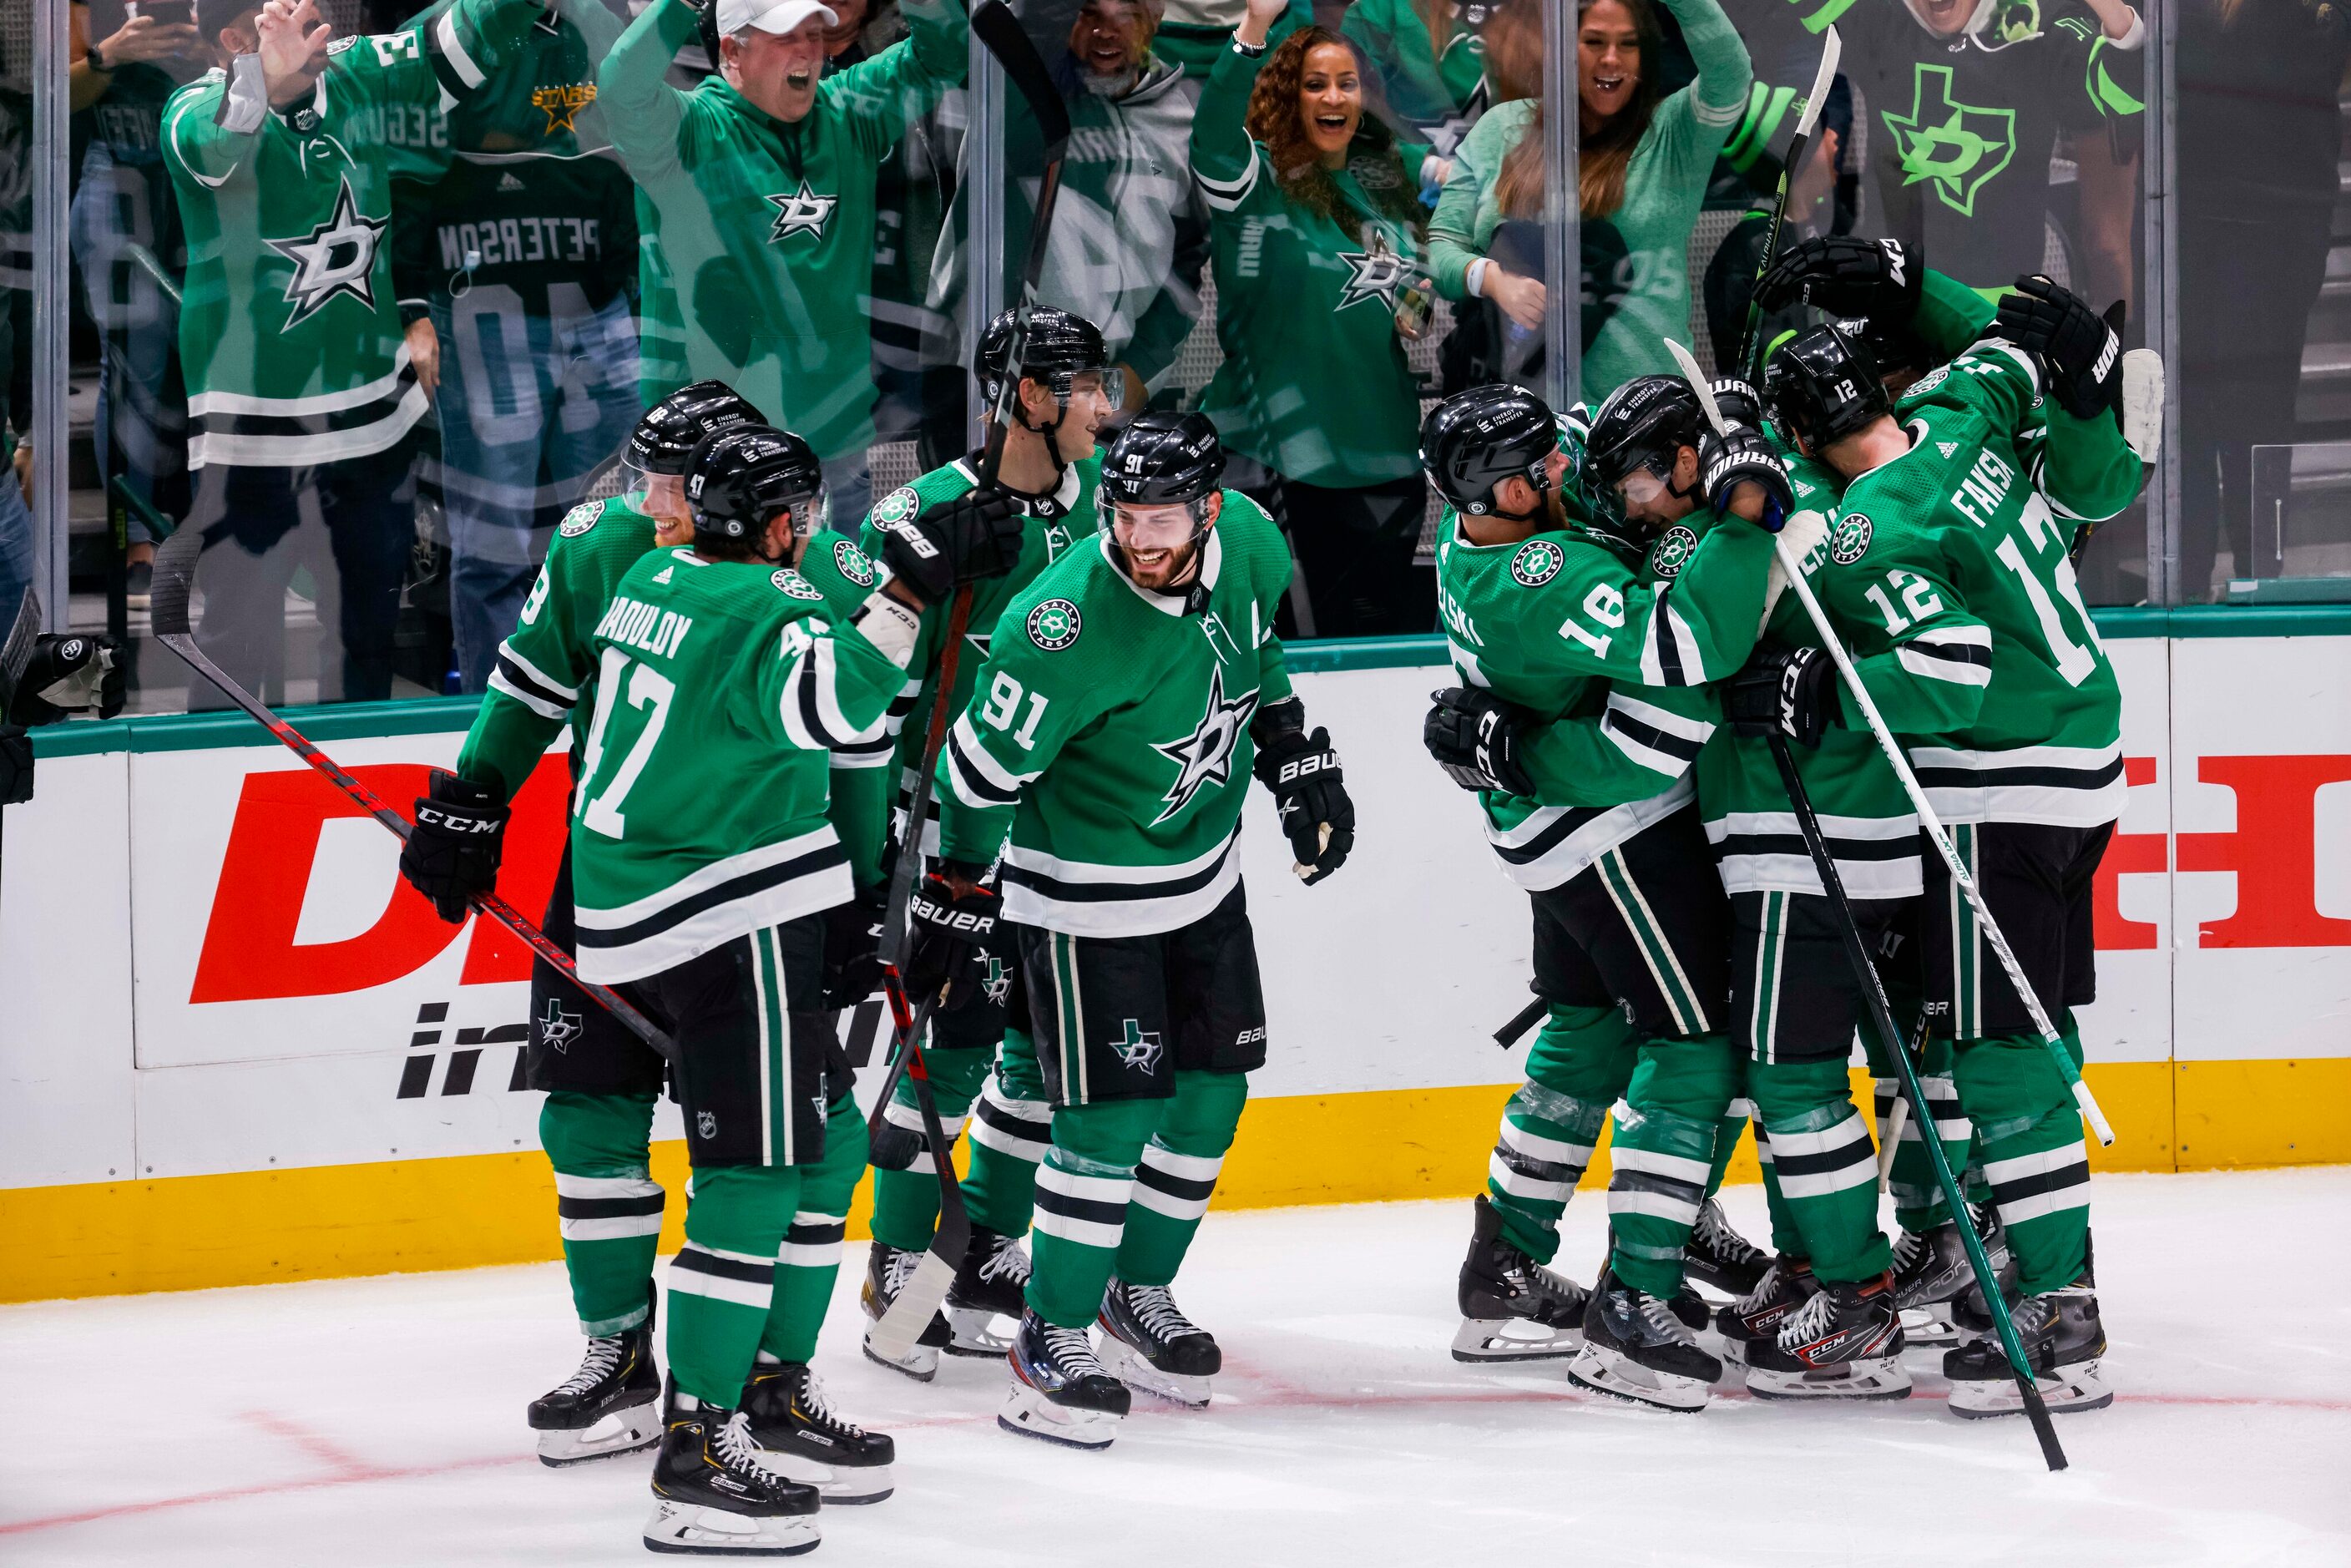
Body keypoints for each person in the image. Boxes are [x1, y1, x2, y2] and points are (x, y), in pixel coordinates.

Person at [1737, 240, 2144, 1353]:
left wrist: (1829, 676)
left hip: (1997, 785)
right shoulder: (1964, 411)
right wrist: (1920, 283)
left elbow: (1952, 671)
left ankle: (2059, 1297)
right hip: (2086, 760)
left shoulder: (1873, 527)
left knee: (2000, 1046)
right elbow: (2011, 343)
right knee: (2030, 1022)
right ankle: (2029, 1249)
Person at [918, 411, 1354, 1449]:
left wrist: (1293, 754)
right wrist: (957, 890)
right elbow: (973, 774)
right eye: (1123, 515)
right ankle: (1047, 1340)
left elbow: (1256, 656)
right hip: (1081, 899)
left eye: (1163, 517)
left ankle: (1132, 1295)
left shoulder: (1248, 536)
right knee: (1105, 1125)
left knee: (1210, 1101)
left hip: (1204, 878)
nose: (1141, 538)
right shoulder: (1059, 625)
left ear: (1208, 508)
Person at [399, 382, 792, 1470]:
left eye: (674, 485)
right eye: (644, 478)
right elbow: (529, 683)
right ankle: (618, 1348)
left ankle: (758, 1373)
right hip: (608, 872)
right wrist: (476, 793)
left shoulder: (793, 550)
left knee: (762, 1146)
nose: (651, 503)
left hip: (750, 886)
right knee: (586, 1114)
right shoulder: (601, 540)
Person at [1416, 381, 1787, 1409]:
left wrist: (1712, 414)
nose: (1561, 471)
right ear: (1497, 490)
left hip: (1546, 835)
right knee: (1699, 1040)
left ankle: (1503, 1267)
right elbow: (1686, 651)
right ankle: (1636, 1295)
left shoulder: (1475, 527)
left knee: (1584, 1033)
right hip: (1608, 835)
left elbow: (1591, 446)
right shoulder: (1536, 571)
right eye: (1537, 469)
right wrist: (1745, 509)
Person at [853, 306, 1118, 1381]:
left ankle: (984, 1251)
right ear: (1027, 398)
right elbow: (864, 698)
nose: (1107, 407)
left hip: (1069, 834)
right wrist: (927, 581)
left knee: (1043, 1059)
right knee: (945, 1053)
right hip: (953, 824)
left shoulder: (1119, 504)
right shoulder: (916, 514)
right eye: (1086, 387)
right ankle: (900, 1270)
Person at [163, 0, 541, 706]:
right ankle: (220, 798)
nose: (312, 21)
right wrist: (260, 78)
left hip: (373, 424)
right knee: (233, 645)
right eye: (282, 16)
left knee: (364, 639)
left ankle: (356, 806)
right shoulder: (191, 106)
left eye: (310, 8)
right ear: (235, 39)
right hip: (251, 436)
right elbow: (214, 154)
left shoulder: (361, 73)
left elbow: (475, 30)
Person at [601, 0, 968, 531]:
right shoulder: (684, 134)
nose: (809, 52)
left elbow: (946, 53)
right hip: (712, 447)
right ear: (731, 52)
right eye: (784, 37)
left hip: (833, 435)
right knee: (734, 601)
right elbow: (620, 87)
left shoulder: (849, 113)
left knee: (839, 600)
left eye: (815, 34)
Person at [392, 0, 641, 692]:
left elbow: (639, 158)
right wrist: (413, 308)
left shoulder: (603, 21)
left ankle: (599, 700)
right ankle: (493, 719)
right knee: (494, 546)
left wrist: (636, 300)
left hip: (602, 315)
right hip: (482, 317)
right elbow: (400, 171)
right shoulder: (441, 29)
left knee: (608, 537)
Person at [1191, 0, 1444, 638]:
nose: (1333, 97)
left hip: (1382, 459)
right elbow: (1210, 139)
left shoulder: (1387, 177)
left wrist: (1422, 291)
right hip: (1272, 459)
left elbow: (1445, 223)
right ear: (1288, 95)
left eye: (1346, 82)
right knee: (1276, 651)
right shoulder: (1256, 179)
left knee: (1371, 647)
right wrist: (1253, 24)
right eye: (1314, 83)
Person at [1426, 0, 1750, 397]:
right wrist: (1492, 279)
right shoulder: (1499, 129)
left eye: (1627, 44)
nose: (1611, 59)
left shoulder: (1674, 133)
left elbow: (1731, 75)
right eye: (1594, 41)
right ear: (1562, 47)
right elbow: (1440, 250)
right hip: (1520, 421)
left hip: (1647, 415)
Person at [927, 0, 1209, 422]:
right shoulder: (1015, 88)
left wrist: (1131, 378)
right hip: (986, 392)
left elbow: (1185, 266)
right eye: (1088, 13)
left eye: (1125, 15)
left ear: (1155, 18)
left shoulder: (1184, 117)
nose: (1105, 32)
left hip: (1098, 398)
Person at [2173, 0, 2351, 597]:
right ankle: (2190, 579)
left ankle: (2258, 581)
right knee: (2191, 414)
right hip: (2191, 222)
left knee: (2259, 413)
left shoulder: (2315, 15)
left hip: (2278, 231)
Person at [1842, 0, 2143, 312]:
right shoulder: (1876, 13)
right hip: (1889, 297)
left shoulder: (2038, 24)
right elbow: (1799, 27)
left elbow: (2128, 96)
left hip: (2000, 313)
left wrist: (2119, 21)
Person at [70, 0, 207, 602]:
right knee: (134, 366)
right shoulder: (84, 6)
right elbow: (49, 102)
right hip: (117, 172)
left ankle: (219, 532)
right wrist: (108, 56)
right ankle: (137, 542)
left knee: (214, 360)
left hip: (204, 172)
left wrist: (215, 54)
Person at [1341, 0, 1509, 158]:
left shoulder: (1531, 16)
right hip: (1410, 177)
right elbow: (1349, 108)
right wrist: (1422, 163)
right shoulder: (1384, 10)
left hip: (1513, 174)